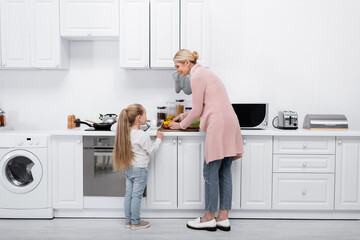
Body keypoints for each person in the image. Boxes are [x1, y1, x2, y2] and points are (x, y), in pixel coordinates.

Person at [170, 49, 244, 232]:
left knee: (210, 170)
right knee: (224, 171)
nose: (177, 70)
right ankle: (223, 218)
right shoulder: (206, 73)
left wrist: (180, 125)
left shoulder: (197, 76)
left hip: (218, 124)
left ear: (187, 62)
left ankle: (208, 217)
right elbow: (205, 105)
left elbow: (197, 110)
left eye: (178, 66)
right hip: (230, 122)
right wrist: (185, 116)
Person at [113, 103, 164, 230]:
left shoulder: (124, 132)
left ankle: (128, 221)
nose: (147, 117)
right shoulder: (142, 135)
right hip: (139, 169)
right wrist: (158, 139)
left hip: (128, 168)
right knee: (136, 196)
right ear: (139, 118)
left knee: (128, 195)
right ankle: (135, 223)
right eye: (145, 114)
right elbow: (151, 149)